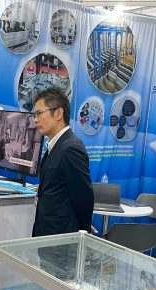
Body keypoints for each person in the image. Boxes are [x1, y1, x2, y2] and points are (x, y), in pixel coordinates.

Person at [31, 88, 93, 279]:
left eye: (39, 113)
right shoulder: (55, 145)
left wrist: (81, 234)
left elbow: (84, 198)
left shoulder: (70, 148)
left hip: (63, 244)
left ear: (58, 113)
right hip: (51, 239)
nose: (35, 120)